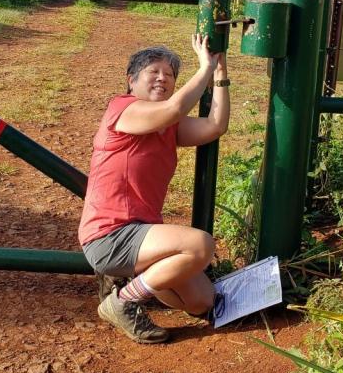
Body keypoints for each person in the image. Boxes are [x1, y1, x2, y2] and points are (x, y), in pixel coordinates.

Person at [78, 34, 230, 343]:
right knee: (201, 246)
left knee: (202, 301)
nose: (163, 78)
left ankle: (142, 279)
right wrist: (203, 67)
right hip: (109, 234)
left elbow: (215, 126)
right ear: (131, 81)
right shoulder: (122, 109)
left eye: (170, 74)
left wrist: (219, 72)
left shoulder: (168, 126)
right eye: (154, 72)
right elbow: (174, 109)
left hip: (141, 233)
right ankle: (123, 300)